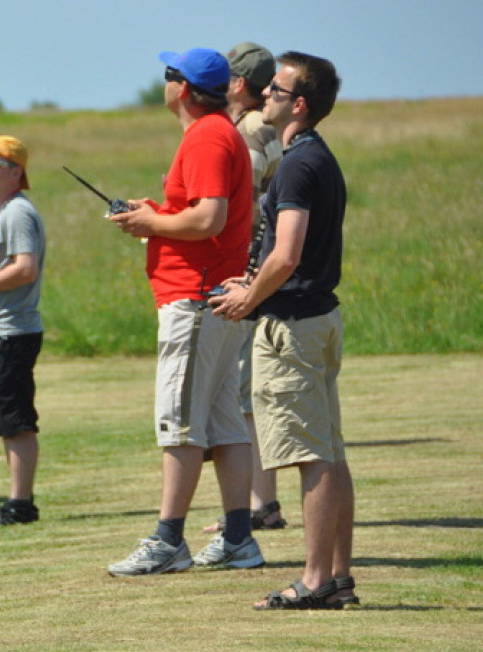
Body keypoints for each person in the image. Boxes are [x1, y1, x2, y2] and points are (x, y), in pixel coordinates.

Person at [105, 48, 264, 576]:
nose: (164, 82)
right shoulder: (220, 133)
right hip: (215, 295)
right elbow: (198, 213)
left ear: (186, 90)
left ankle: (168, 538)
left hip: (195, 297)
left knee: (179, 422)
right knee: (223, 422)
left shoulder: (206, 136)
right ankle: (239, 538)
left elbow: (210, 217)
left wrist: (152, 225)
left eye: (169, 75)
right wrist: (156, 213)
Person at [209, 52, 357, 609]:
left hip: (292, 326)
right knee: (330, 451)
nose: (263, 93)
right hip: (318, 317)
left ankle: (317, 579)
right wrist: (249, 278)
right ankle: (337, 576)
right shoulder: (317, 156)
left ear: (298, 103)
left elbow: (288, 253)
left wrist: (250, 294)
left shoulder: (297, 163)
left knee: (311, 455)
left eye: (275, 88)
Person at [204, 42, 286, 535]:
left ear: (237, 84)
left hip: (247, 274)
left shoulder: (250, 129)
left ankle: (259, 504)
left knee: (244, 395)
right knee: (247, 392)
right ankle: (263, 502)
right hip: (259, 274)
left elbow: (247, 209)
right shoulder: (261, 127)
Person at [0, 135, 46, 526]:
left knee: (15, 419)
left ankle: (21, 503)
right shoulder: (0, 212)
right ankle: (17, 498)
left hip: (10, 330)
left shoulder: (17, 213)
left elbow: (25, 268)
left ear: (17, 171)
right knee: (5, 419)